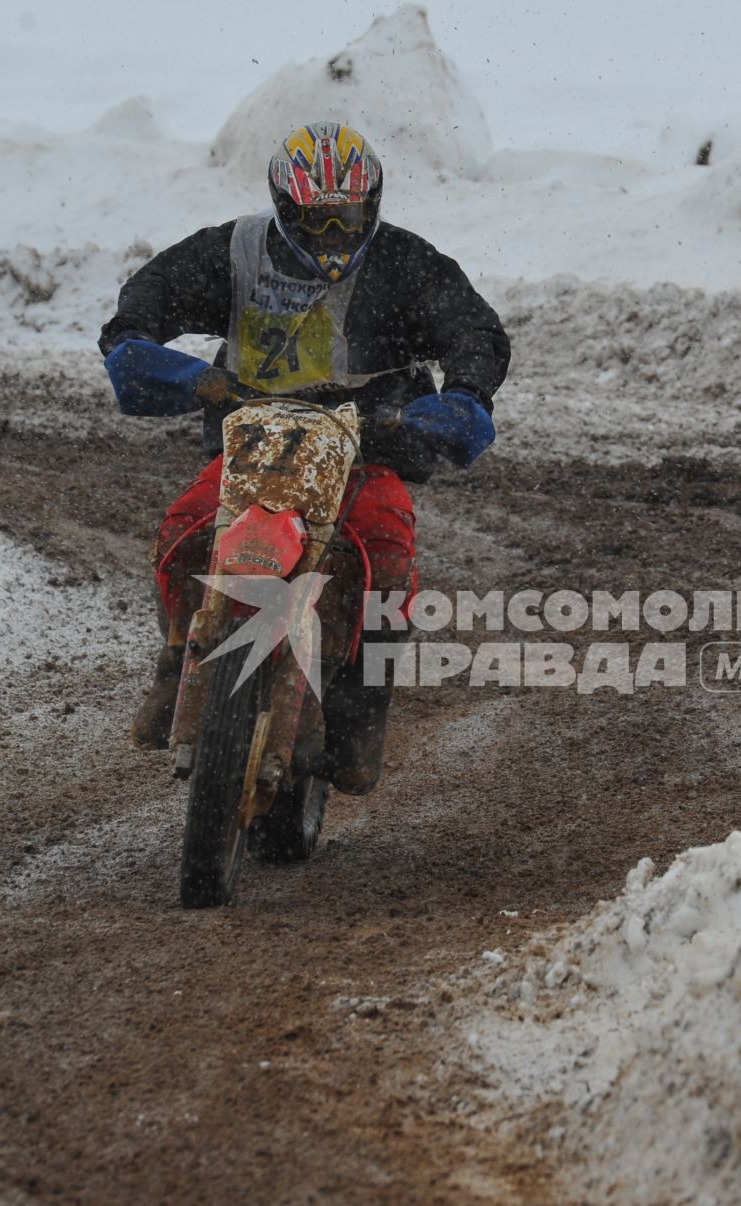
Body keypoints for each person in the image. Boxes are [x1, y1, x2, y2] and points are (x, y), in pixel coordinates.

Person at [99, 120, 510, 795]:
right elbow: (149, 295)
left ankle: (359, 713)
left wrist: (465, 394)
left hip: (372, 442)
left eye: (346, 219)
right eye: (316, 222)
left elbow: (474, 329)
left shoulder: (408, 263)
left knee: (387, 554)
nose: (333, 237)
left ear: (371, 207)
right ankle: (177, 658)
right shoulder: (233, 252)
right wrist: (140, 345)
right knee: (183, 531)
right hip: (253, 436)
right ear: (284, 208)